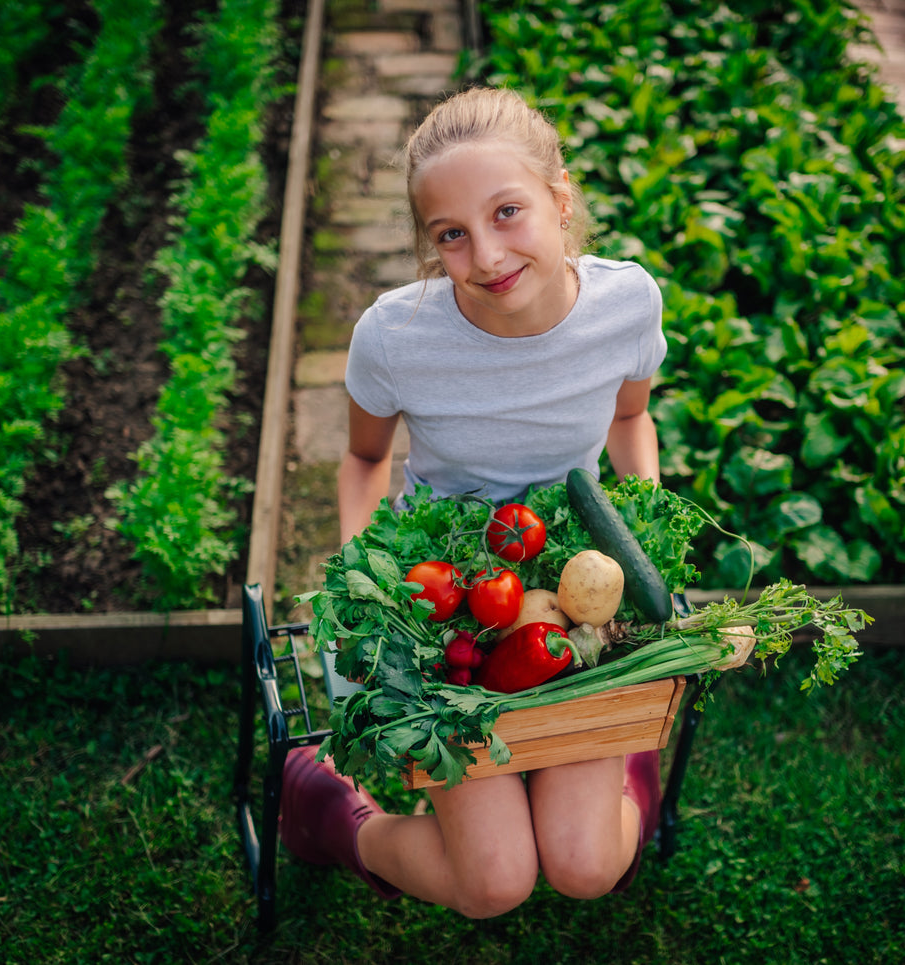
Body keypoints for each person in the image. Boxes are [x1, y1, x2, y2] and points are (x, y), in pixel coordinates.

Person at [279, 86, 669, 919]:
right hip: (448, 591)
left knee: (583, 866)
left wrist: (639, 546)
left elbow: (632, 420)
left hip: (573, 580)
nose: (486, 255)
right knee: (492, 885)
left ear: (560, 200)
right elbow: (362, 458)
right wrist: (368, 579)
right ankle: (328, 807)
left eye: (507, 212)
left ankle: (628, 761)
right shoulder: (395, 336)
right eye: (450, 235)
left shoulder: (626, 303)